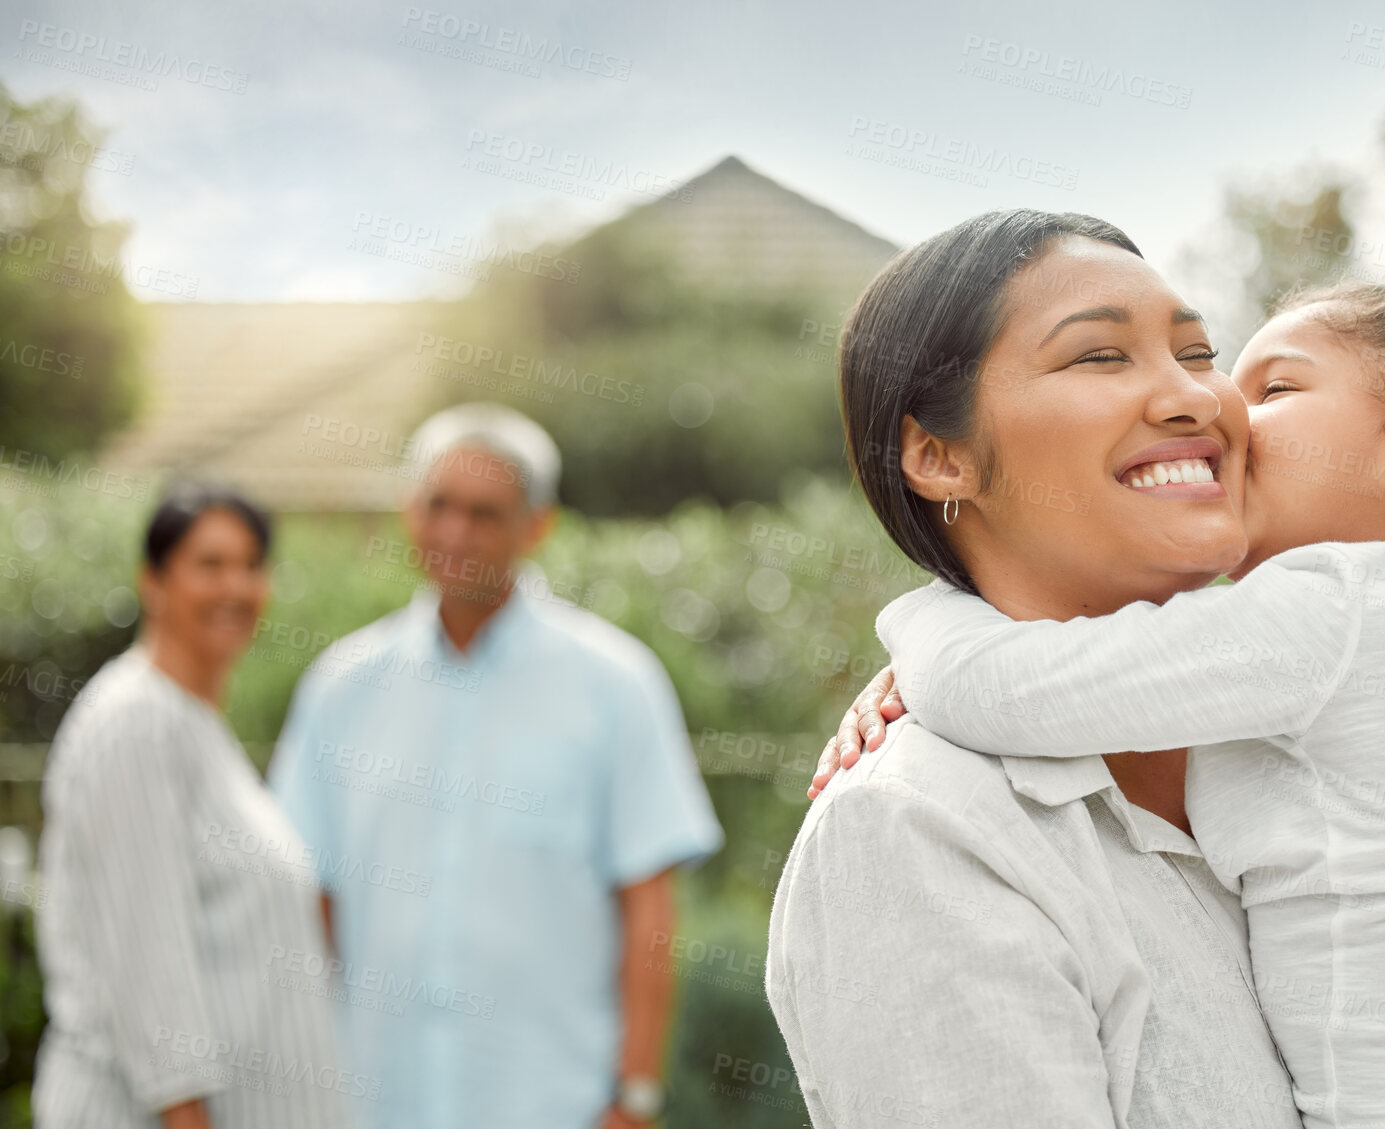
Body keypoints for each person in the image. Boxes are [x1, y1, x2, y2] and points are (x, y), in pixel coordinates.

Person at [816, 282, 1385, 1126]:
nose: (1227, 414)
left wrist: (925, 619)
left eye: (1273, 388)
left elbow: (994, 690)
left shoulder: (1339, 611)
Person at [766, 211, 1306, 1128]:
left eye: (1200, 352)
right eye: (1099, 356)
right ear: (940, 456)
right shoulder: (919, 827)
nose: (1197, 398)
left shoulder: (1304, 739)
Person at [267, 403, 723, 1129]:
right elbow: (307, 899)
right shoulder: (340, 688)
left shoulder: (616, 685)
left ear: (536, 525)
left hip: (553, 1103)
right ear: (408, 510)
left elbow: (650, 908)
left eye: (484, 513)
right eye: (439, 505)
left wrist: (634, 1096)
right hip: (370, 1099)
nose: (455, 533)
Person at [34, 482, 358, 1129]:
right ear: (152, 581)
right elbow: (149, 967)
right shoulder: (134, 723)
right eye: (209, 564)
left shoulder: (195, 725)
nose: (233, 587)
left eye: (250, 565)